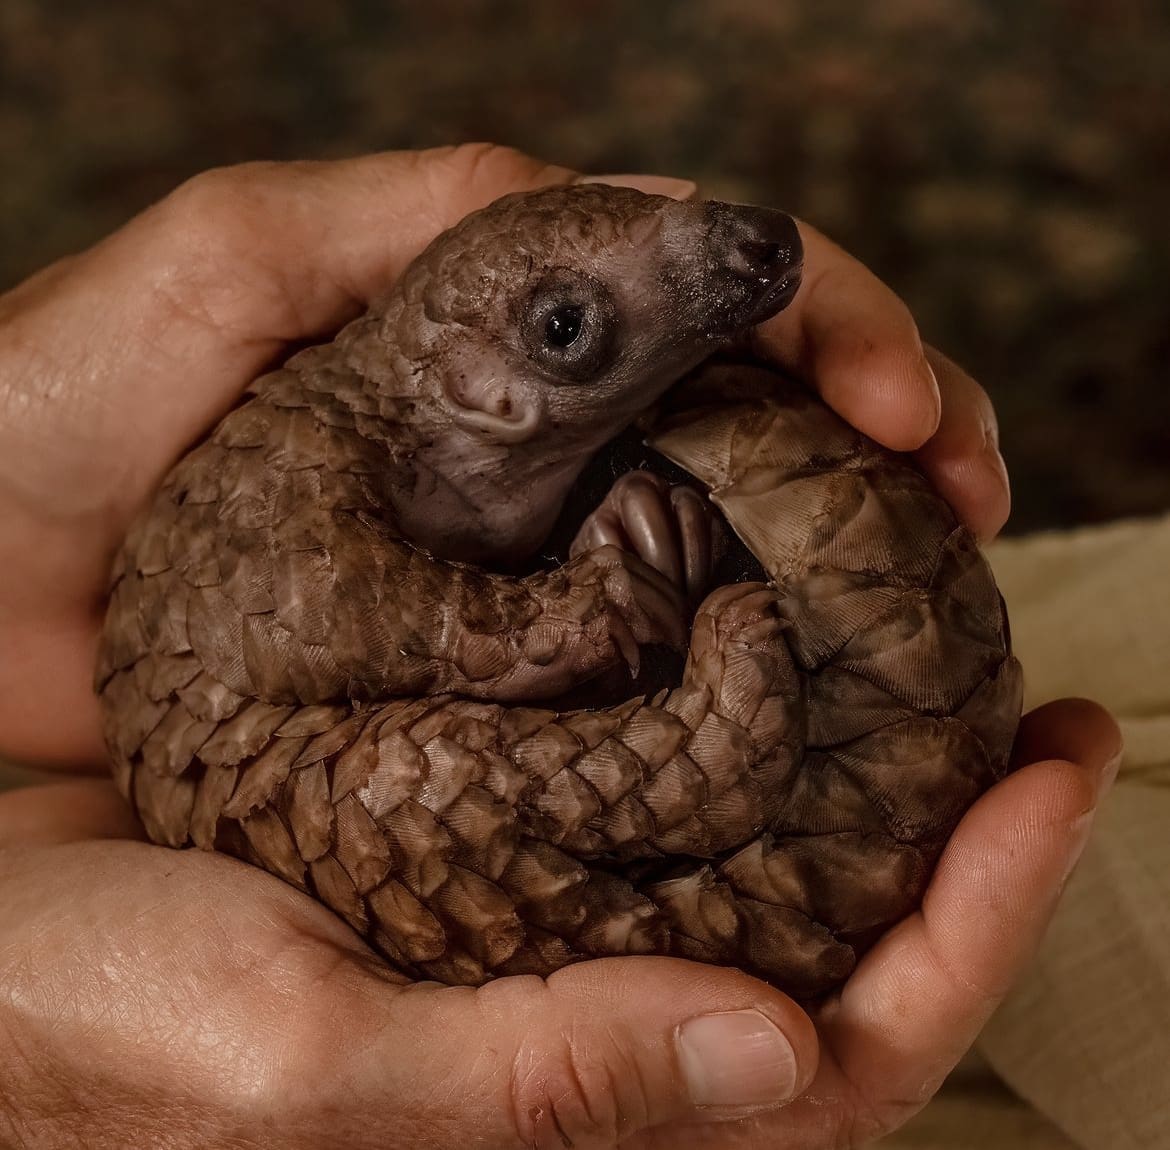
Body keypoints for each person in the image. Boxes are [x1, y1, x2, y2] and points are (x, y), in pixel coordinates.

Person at [0, 144, 1119, 1150]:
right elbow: (375, 626)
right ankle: (696, 769)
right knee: (399, 794)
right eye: (566, 331)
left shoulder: (463, 431)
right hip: (292, 750)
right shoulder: (293, 496)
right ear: (476, 390)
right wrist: (572, 619)